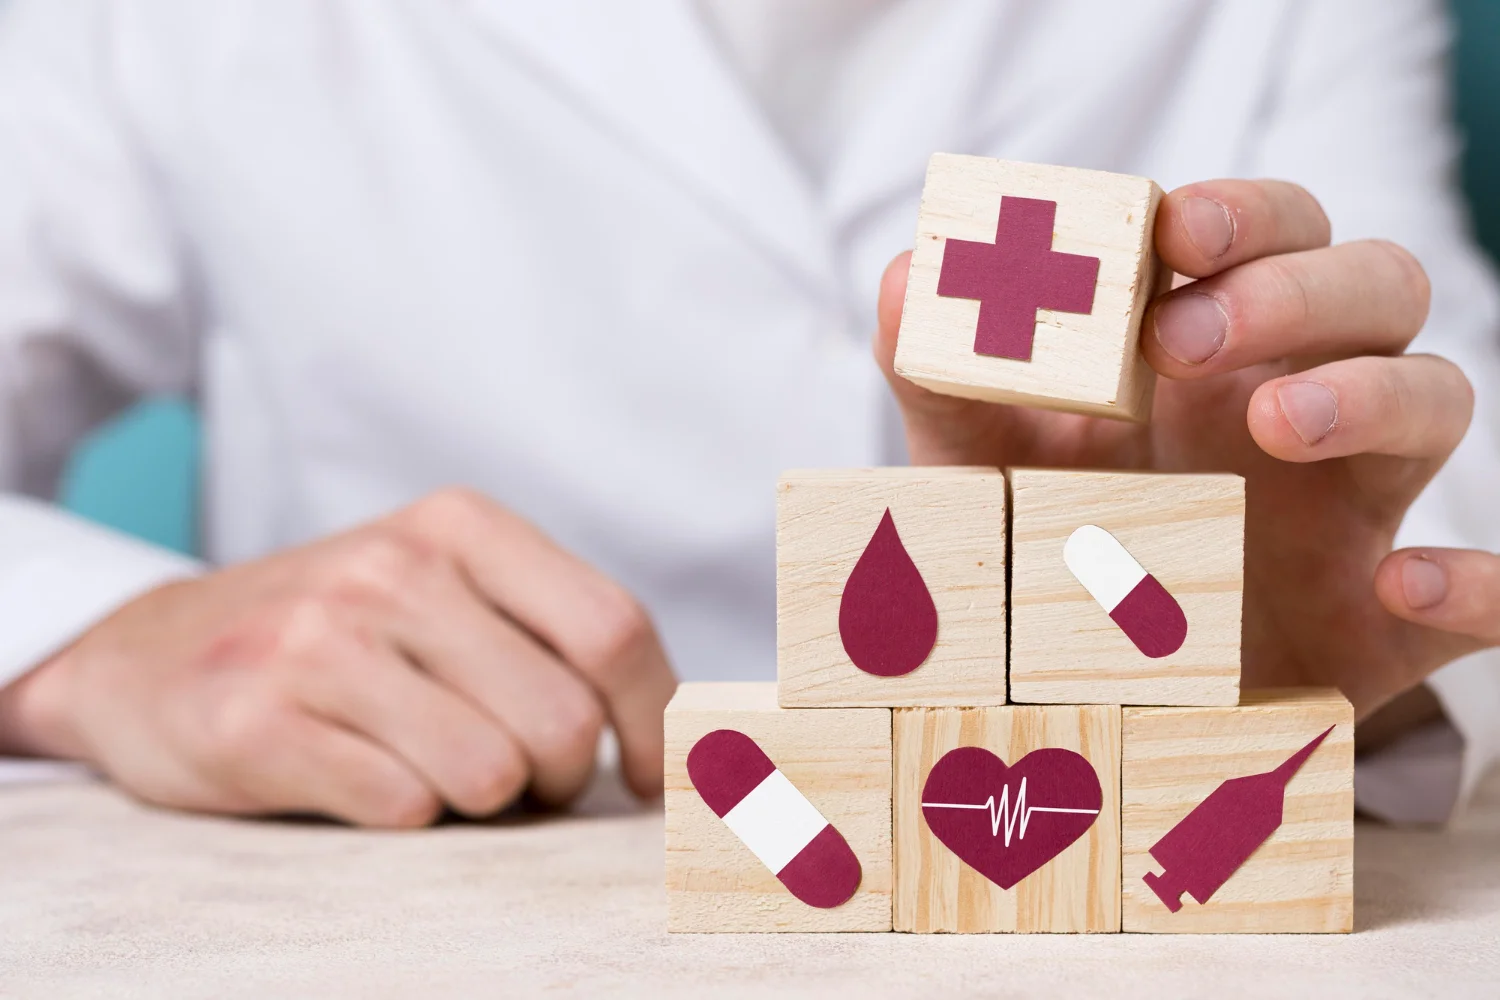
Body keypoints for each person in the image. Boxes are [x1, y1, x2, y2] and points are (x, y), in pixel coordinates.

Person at [0, 0, 1495, 828]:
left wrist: (1289, 633)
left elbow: (1454, 462)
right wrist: (88, 643)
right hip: (440, 879)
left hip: (1066, 847)